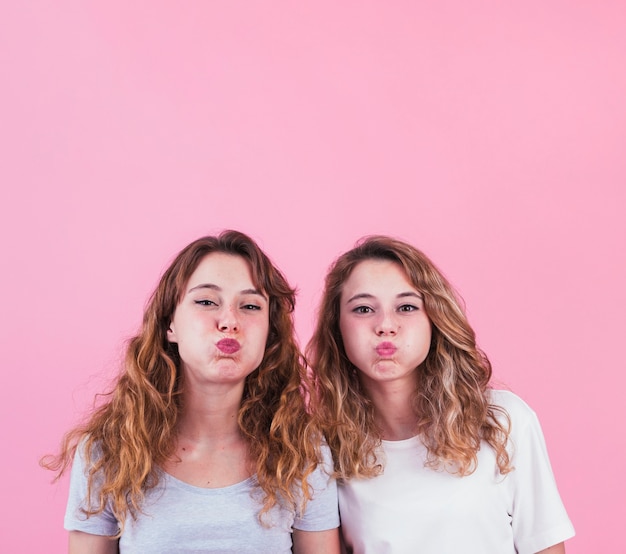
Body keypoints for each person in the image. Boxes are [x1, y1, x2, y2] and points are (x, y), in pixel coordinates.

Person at [43, 230, 340, 554]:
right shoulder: (107, 450)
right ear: (170, 324)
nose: (229, 321)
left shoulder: (303, 452)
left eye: (251, 306)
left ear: (270, 332)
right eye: (206, 302)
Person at [307, 235, 574, 554]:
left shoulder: (504, 420)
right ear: (337, 328)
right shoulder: (322, 447)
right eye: (363, 309)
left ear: (434, 319)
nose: (386, 325)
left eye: (406, 307)